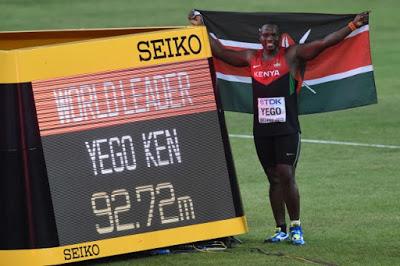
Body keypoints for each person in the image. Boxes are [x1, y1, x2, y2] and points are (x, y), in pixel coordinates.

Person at [189, 10, 369, 245]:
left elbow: (324, 43)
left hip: (287, 129)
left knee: (286, 174)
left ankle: (296, 227)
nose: (270, 40)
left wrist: (353, 26)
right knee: (273, 177)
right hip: (262, 130)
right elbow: (221, 52)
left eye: (273, 36)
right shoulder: (251, 58)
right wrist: (201, 26)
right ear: (259, 37)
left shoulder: (291, 55)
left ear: (279, 37)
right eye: (265, 36)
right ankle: (280, 229)